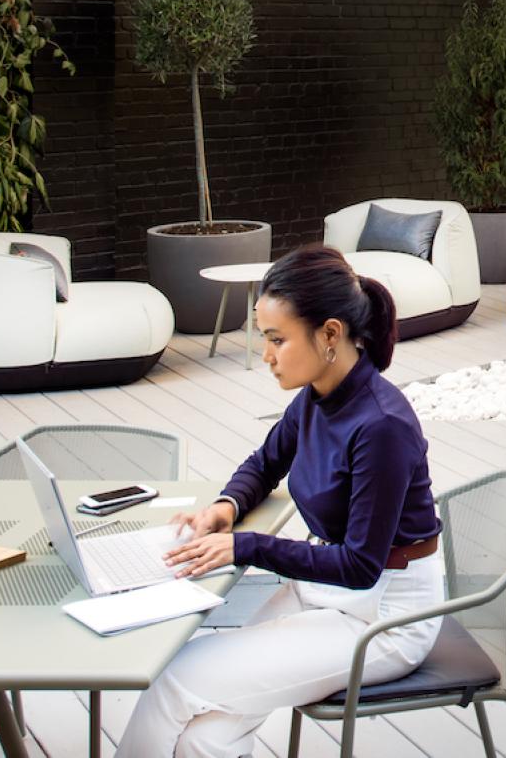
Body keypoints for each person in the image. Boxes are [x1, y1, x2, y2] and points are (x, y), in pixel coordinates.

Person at [116, 245, 442, 758]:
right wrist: (224, 508)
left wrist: (245, 548)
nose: (265, 355)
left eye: (276, 339)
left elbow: (360, 565)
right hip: (327, 594)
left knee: (176, 680)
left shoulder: (381, 425)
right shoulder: (317, 395)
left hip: (385, 617)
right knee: (207, 736)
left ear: (330, 334)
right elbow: (266, 463)